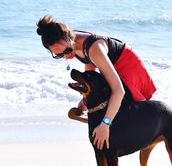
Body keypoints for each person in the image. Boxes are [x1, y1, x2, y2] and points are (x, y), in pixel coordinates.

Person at [36, 15, 156, 150]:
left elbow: (119, 90)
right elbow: (90, 70)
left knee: (116, 103)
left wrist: (105, 124)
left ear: (69, 38)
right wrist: (85, 98)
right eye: (59, 55)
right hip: (112, 66)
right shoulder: (72, 41)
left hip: (129, 66)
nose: (67, 56)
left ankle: (116, 133)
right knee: (99, 103)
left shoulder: (94, 49)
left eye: (68, 51)